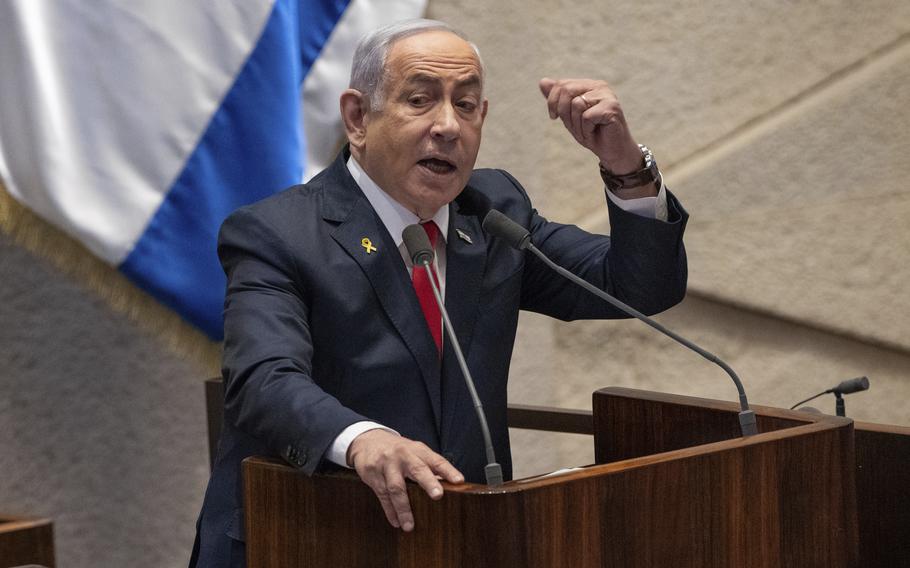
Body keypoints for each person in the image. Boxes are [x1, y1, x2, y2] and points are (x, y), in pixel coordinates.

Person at [190, 18, 688, 568]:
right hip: (306, 535)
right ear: (358, 117)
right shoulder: (277, 233)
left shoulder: (494, 212)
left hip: (459, 538)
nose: (449, 126)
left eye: (467, 105)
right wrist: (361, 439)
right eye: (421, 100)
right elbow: (262, 380)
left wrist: (625, 168)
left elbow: (639, 288)